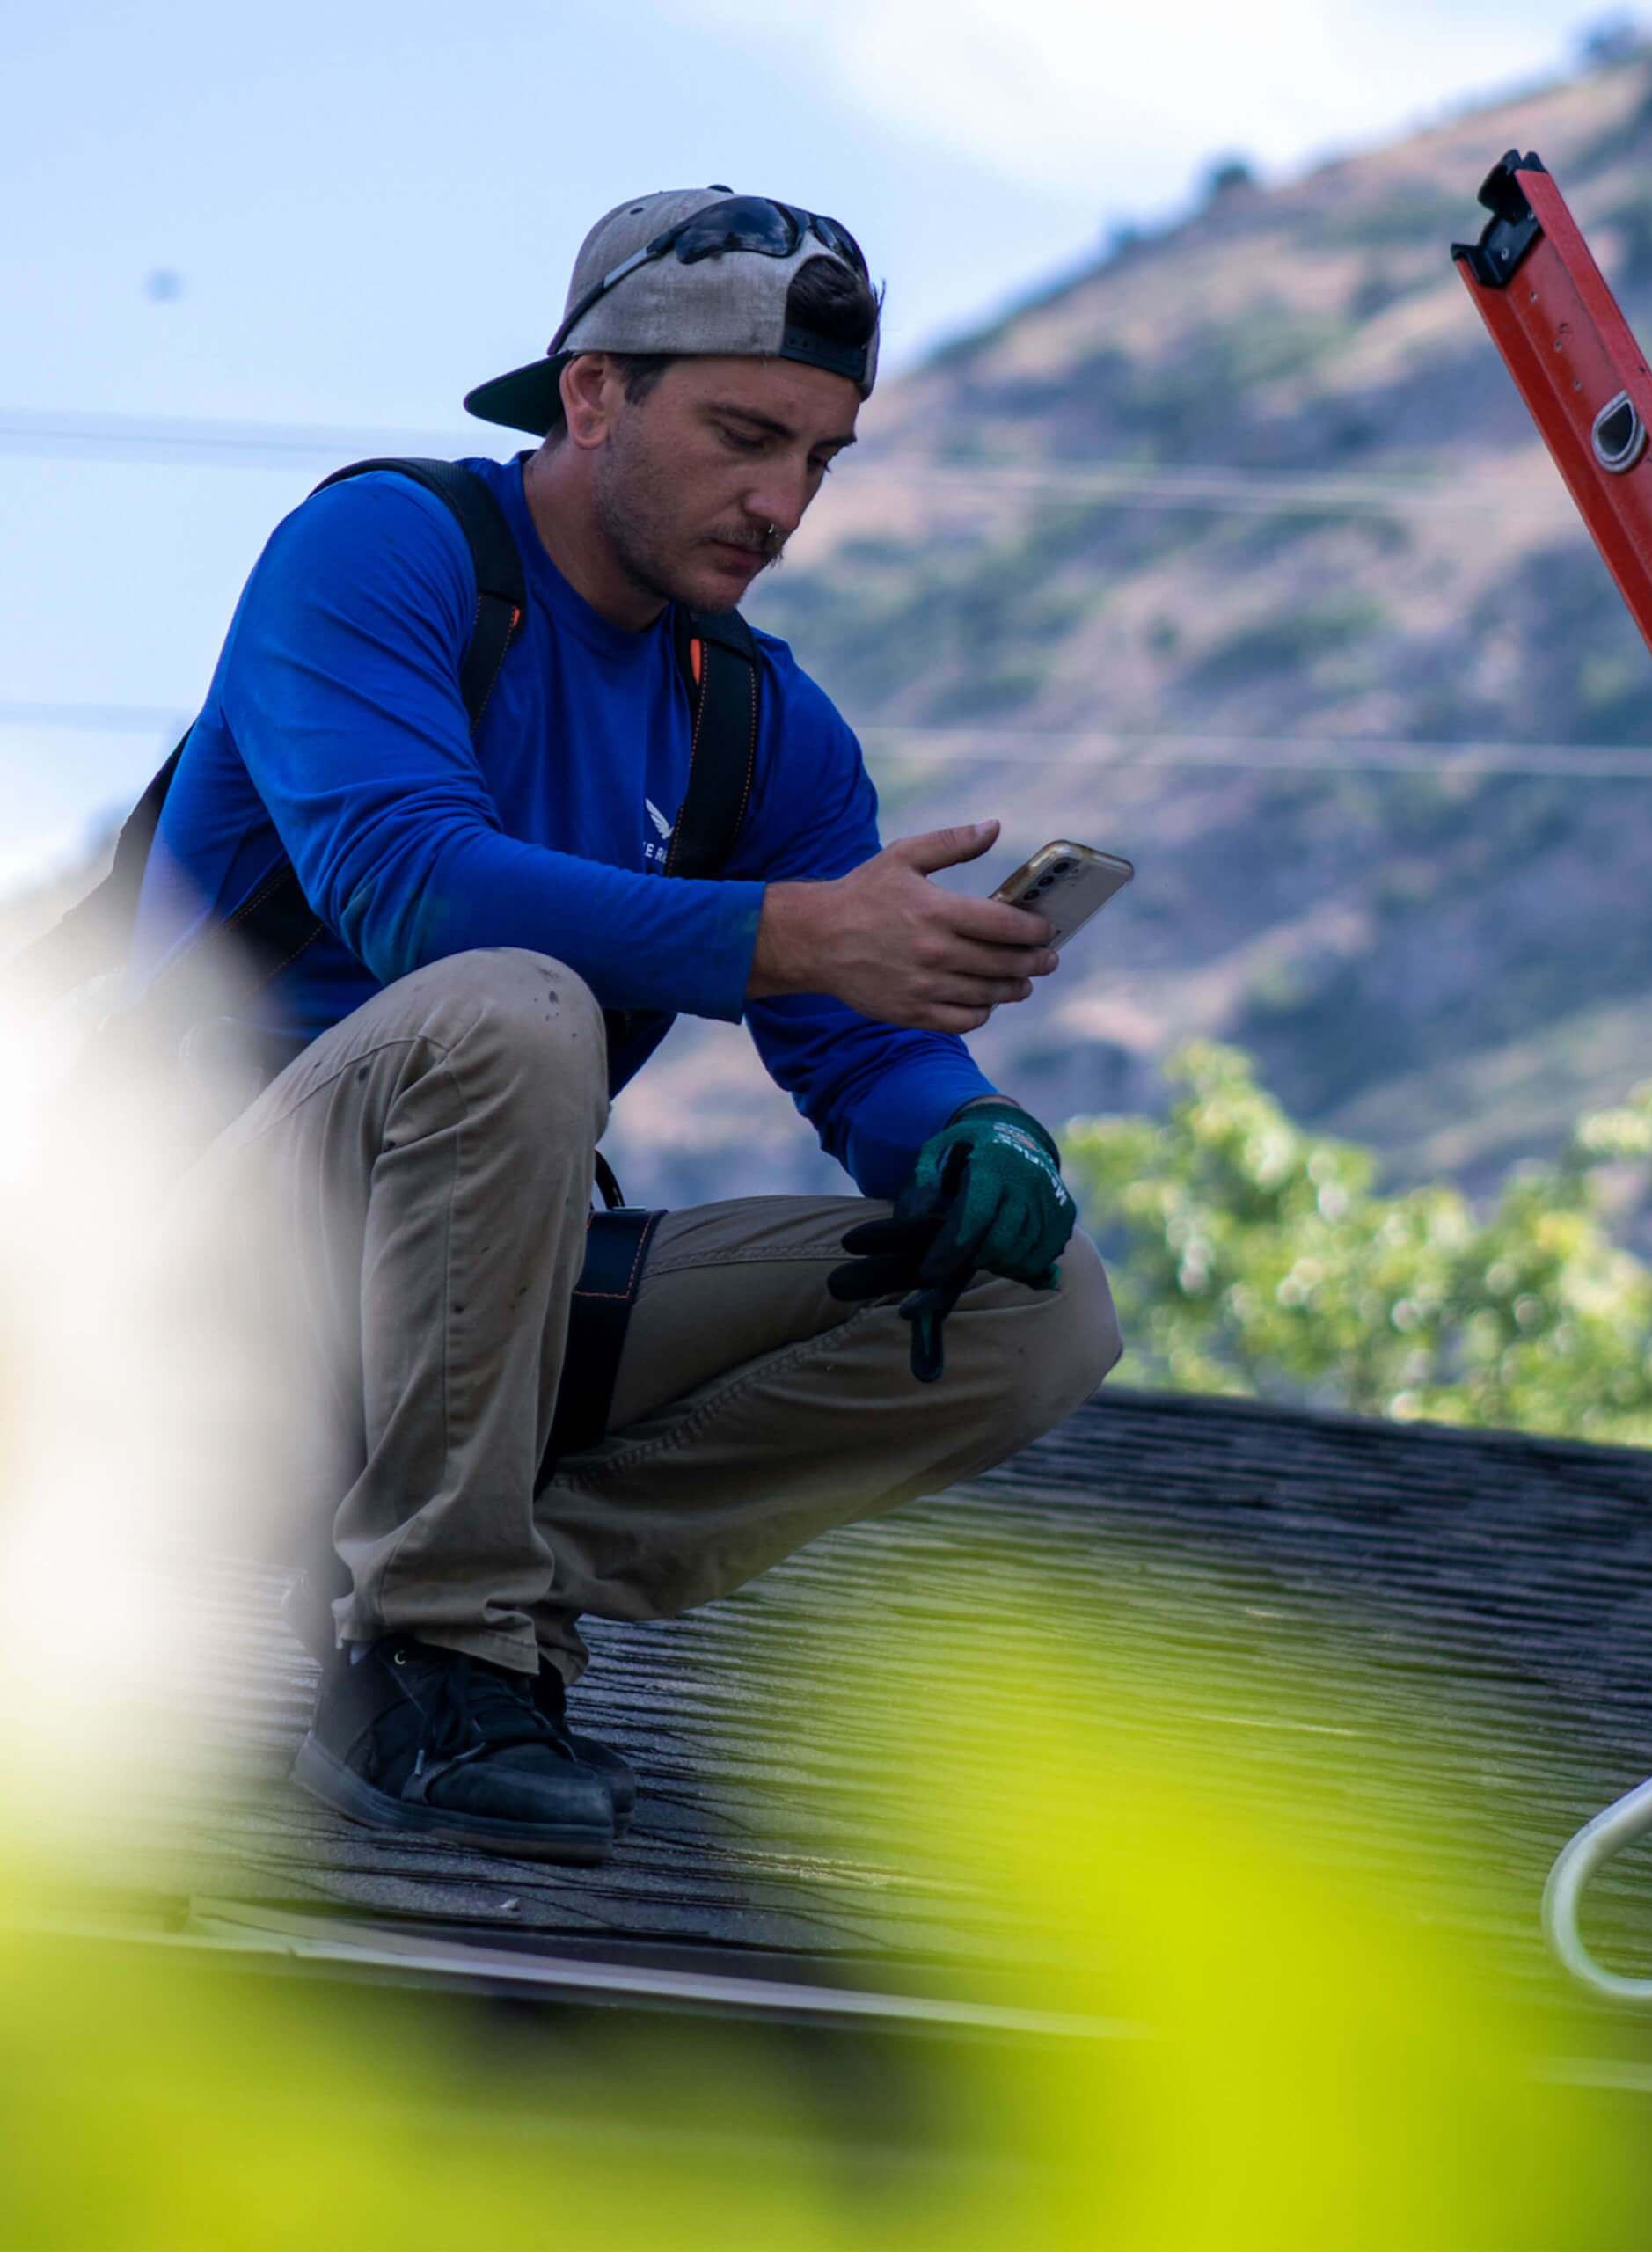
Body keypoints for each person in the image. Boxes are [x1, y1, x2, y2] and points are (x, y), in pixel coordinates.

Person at [128, 188, 1122, 1865]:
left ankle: (454, 1595)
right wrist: (792, 931)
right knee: (515, 1011)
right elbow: (405, 886)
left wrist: (972, 1127)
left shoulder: (760, 726)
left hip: (464, 1333)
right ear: (592, 394)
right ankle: (435, 1660)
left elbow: (864, 1044)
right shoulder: (385, 549)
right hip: (167, 1288)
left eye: (822, 457)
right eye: (747, 435)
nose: (784, 501)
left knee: (1037, 1307)